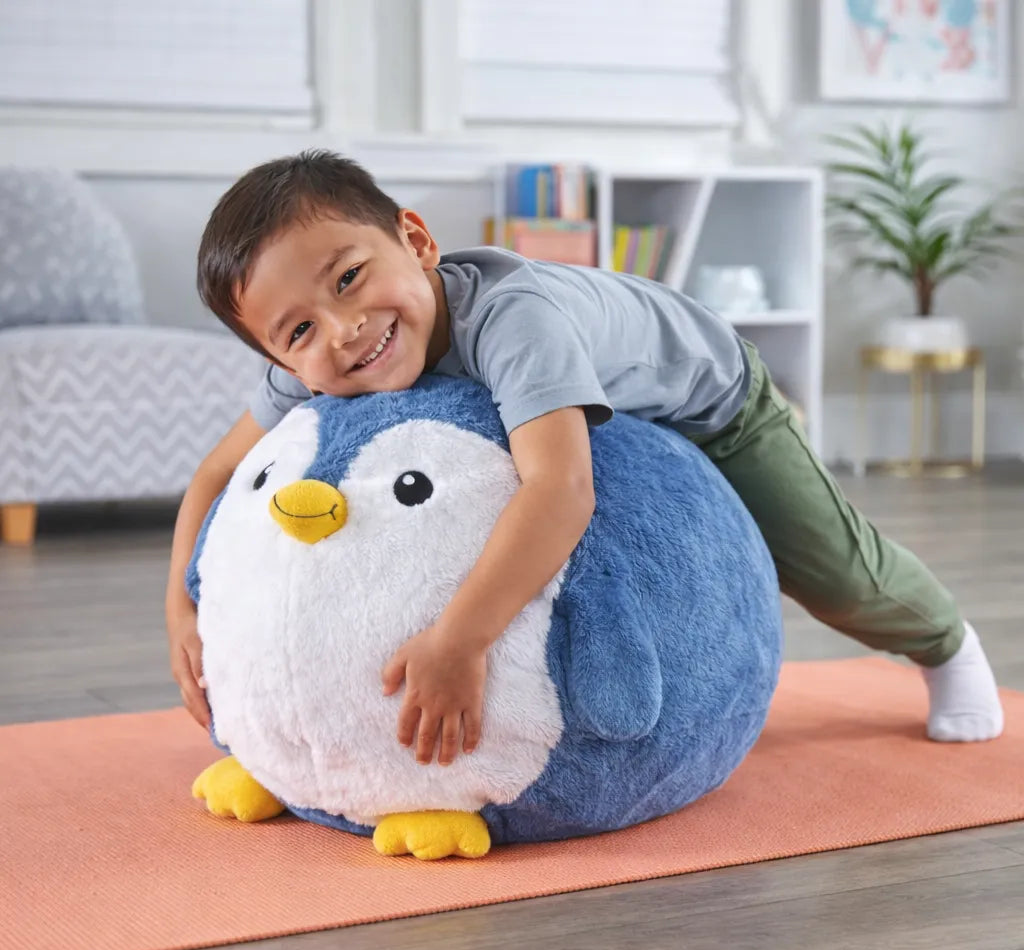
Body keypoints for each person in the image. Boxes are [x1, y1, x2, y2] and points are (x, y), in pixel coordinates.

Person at [165, 150, 1004, 766]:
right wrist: (181, 608)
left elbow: (561, 490)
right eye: (300, 331)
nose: (341, 330)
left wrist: (460, 639)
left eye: (349, 278)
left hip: (717, 403)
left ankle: (945, 642)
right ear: (279, 357)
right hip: (595, 404)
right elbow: (214, 475)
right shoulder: (314, 365)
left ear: (415, 240)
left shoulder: (513, 318)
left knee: (830, 570)